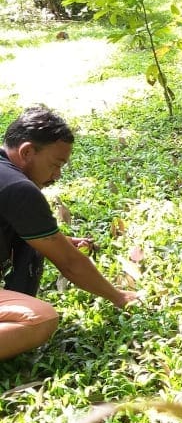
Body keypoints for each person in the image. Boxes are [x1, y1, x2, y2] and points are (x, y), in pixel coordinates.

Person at [1, 106, 138, 360]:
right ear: (27, 151)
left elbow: (28, 231)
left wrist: (58, 240)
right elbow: (70, 263)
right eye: (55, 164)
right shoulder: (20, 188)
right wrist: (120, 297)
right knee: (40, 319)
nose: (57, 175)